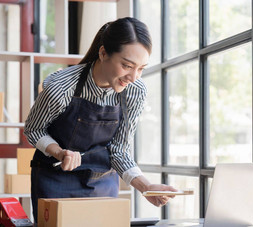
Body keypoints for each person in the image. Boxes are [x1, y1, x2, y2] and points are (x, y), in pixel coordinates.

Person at [24, 17, 177, 223]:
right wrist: (59, 152)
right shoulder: (61, 87)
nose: (134, 77)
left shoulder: (134, 91)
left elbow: (119, 150)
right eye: (127, 66)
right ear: (103, 53)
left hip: (102, 183)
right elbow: (34, 130)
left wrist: (146, 187)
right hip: (54, 180)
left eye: (141, 68)